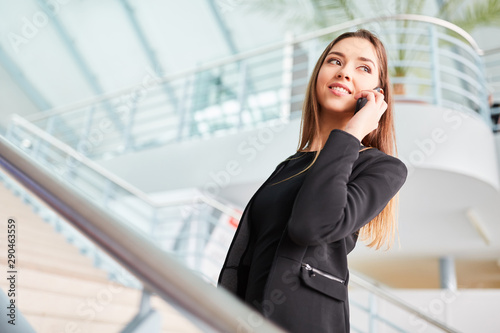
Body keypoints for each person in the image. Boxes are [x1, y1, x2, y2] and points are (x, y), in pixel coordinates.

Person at [218, 29, 408, 333]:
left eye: (363, 68)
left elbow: (311, 226)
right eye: (335, 61)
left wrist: (351, 133)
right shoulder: (290, 165)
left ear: (378, 95)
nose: (344, 72)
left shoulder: (383, 168)